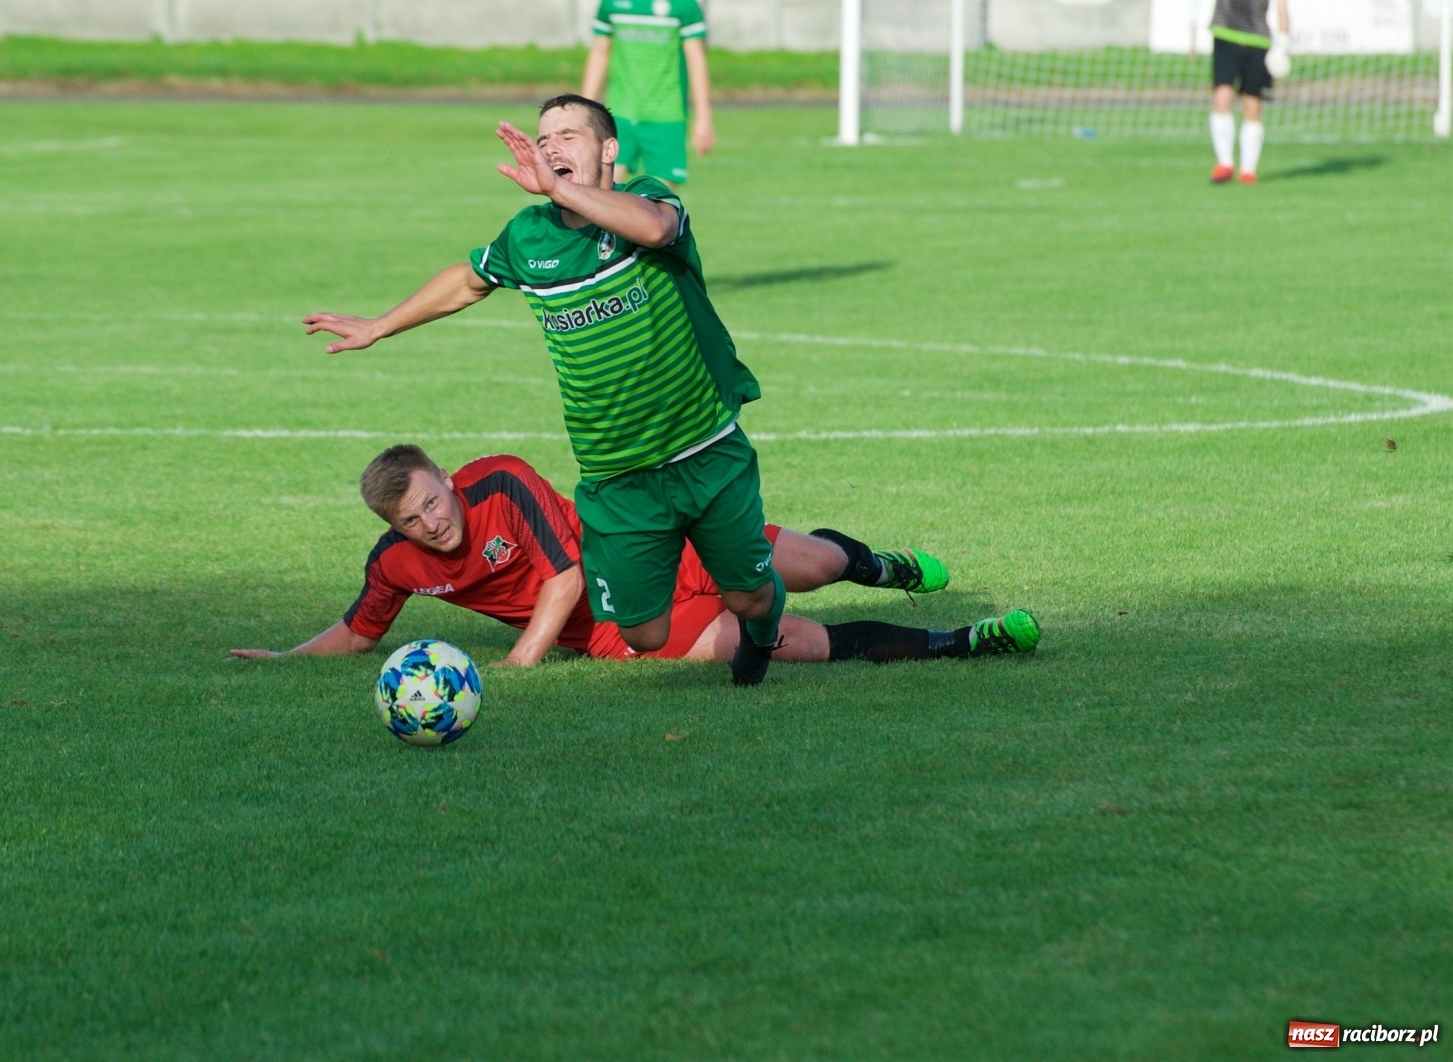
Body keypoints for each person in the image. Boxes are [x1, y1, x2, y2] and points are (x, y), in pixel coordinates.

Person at [303, 95, 854, 686]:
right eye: (544, 140)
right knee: (644, 634)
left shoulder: (650, 197)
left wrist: (559, 190)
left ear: (608, 149)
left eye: (568, 135)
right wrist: (380, 325)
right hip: (616, 468)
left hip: (700, 445)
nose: (552, 148)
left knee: (751, 598)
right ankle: (754, 610)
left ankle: (764, 624)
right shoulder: (529, 236)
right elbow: (467, 281)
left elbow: (656, 227)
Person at [229, 446, 1041, 667]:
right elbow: (359, 631)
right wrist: (279, 657)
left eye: (435, 500)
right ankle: (964, 642)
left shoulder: (503, 482)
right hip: (623, 632)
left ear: (448, 477)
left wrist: (520, 660)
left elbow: (566, 574)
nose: (434, 523)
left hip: (658, 551)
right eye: (414, 520)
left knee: (817, 568)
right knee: (791, 644)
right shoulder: (395, 564)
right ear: (394, 528)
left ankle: (881, 566)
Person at [581, 0, 714, 186]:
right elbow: (600, 53)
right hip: (618, 113)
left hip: (666, 116)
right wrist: (583, 111)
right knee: (599, 194)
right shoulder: (611, 4)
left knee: (659, 204)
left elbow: (696, 60)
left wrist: (703, 119)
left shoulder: (684, 5)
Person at [1208, 0, 1290, 185]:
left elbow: (1282, 7)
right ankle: (1225, 164)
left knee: (1252, 106)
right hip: (1226, 34)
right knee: (1222, 97)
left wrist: (1283, 43)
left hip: (1257, 41)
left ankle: (1248, 170)